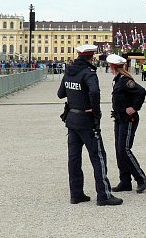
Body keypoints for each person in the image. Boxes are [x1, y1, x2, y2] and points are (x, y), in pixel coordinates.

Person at [57, 44, 123, 206]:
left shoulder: (69, 72)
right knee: (98, 156)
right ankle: (103, 195)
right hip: (86, 120)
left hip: (71, 119)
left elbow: (60, 94)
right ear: (91, 56)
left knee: (74, 159)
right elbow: (94, 92)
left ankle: (76, 194)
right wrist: (96, 112)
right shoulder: (89, 73)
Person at [107, 54, 146, 193]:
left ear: (113, 67)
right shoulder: (117, 79)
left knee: (124, 149)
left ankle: (140, 178)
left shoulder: (125, 80)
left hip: (128, 119)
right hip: (119, 118)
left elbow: (141, 92)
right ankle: (125, 181)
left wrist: (135, 107)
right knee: (119, 150)